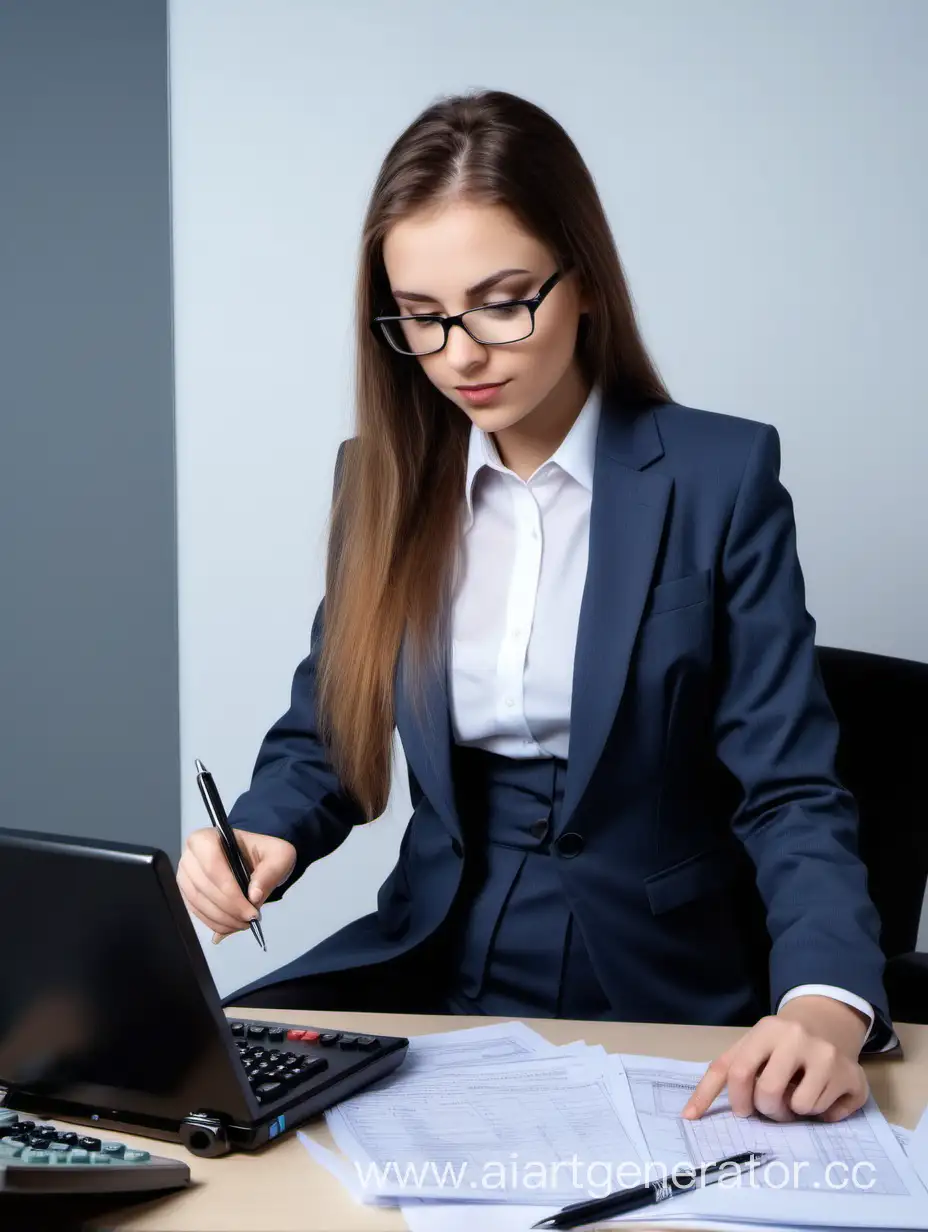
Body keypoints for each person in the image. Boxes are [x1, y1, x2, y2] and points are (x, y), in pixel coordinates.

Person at [177, 89, 894, 1124]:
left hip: (664, 992)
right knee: (199, 1104)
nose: (460, 353)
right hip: (432, 968)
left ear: (585, 281)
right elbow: (327, 730)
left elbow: (789, 788)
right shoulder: (380, 480)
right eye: (421, 319)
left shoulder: (717, 476)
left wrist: (825, 1003)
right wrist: (261, 832)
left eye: (502, 300)